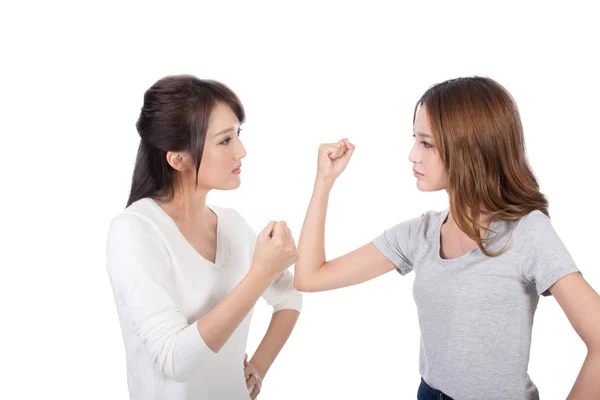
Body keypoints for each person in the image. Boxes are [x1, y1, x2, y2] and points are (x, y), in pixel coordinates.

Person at [293, 77, 600, 399]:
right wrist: (324, 181)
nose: (412, 155)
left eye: (427, 143)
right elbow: (310, 277)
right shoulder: (419, 234)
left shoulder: (525, 232)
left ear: (470, 146)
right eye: (415, 139)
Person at [106, 75, 302, 400]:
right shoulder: (135, 231)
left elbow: (289, 295)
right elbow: (173, 360)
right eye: (225, 141)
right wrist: (260, 274)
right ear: (178, 158)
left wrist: (259, 367)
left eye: (238, 135)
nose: (241, 151)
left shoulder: (233, 225)